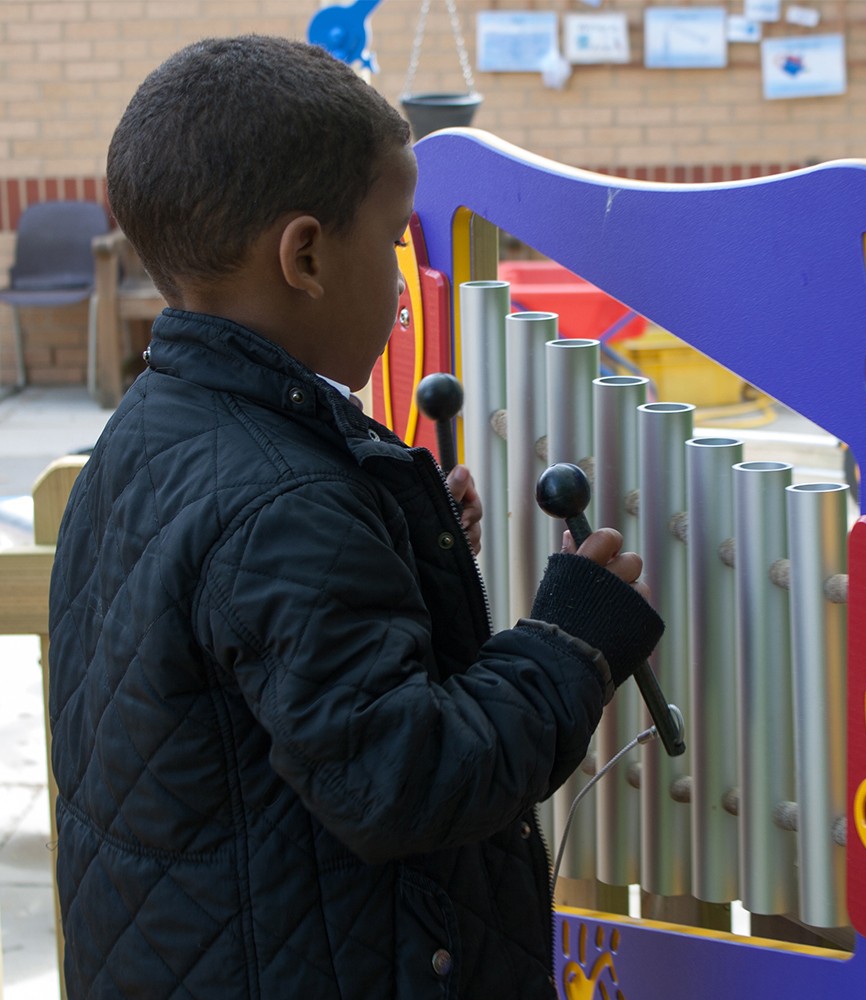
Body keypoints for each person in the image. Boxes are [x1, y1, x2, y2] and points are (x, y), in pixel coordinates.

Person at [47, 35, 663, 999]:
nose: (401, 266)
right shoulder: (284, 502)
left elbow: (241, 648)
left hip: (193, 943)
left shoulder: (155, 423)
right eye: (391, 238)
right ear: (305, 257)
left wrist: (395, 543)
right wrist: (567, 644)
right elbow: (405, 779)